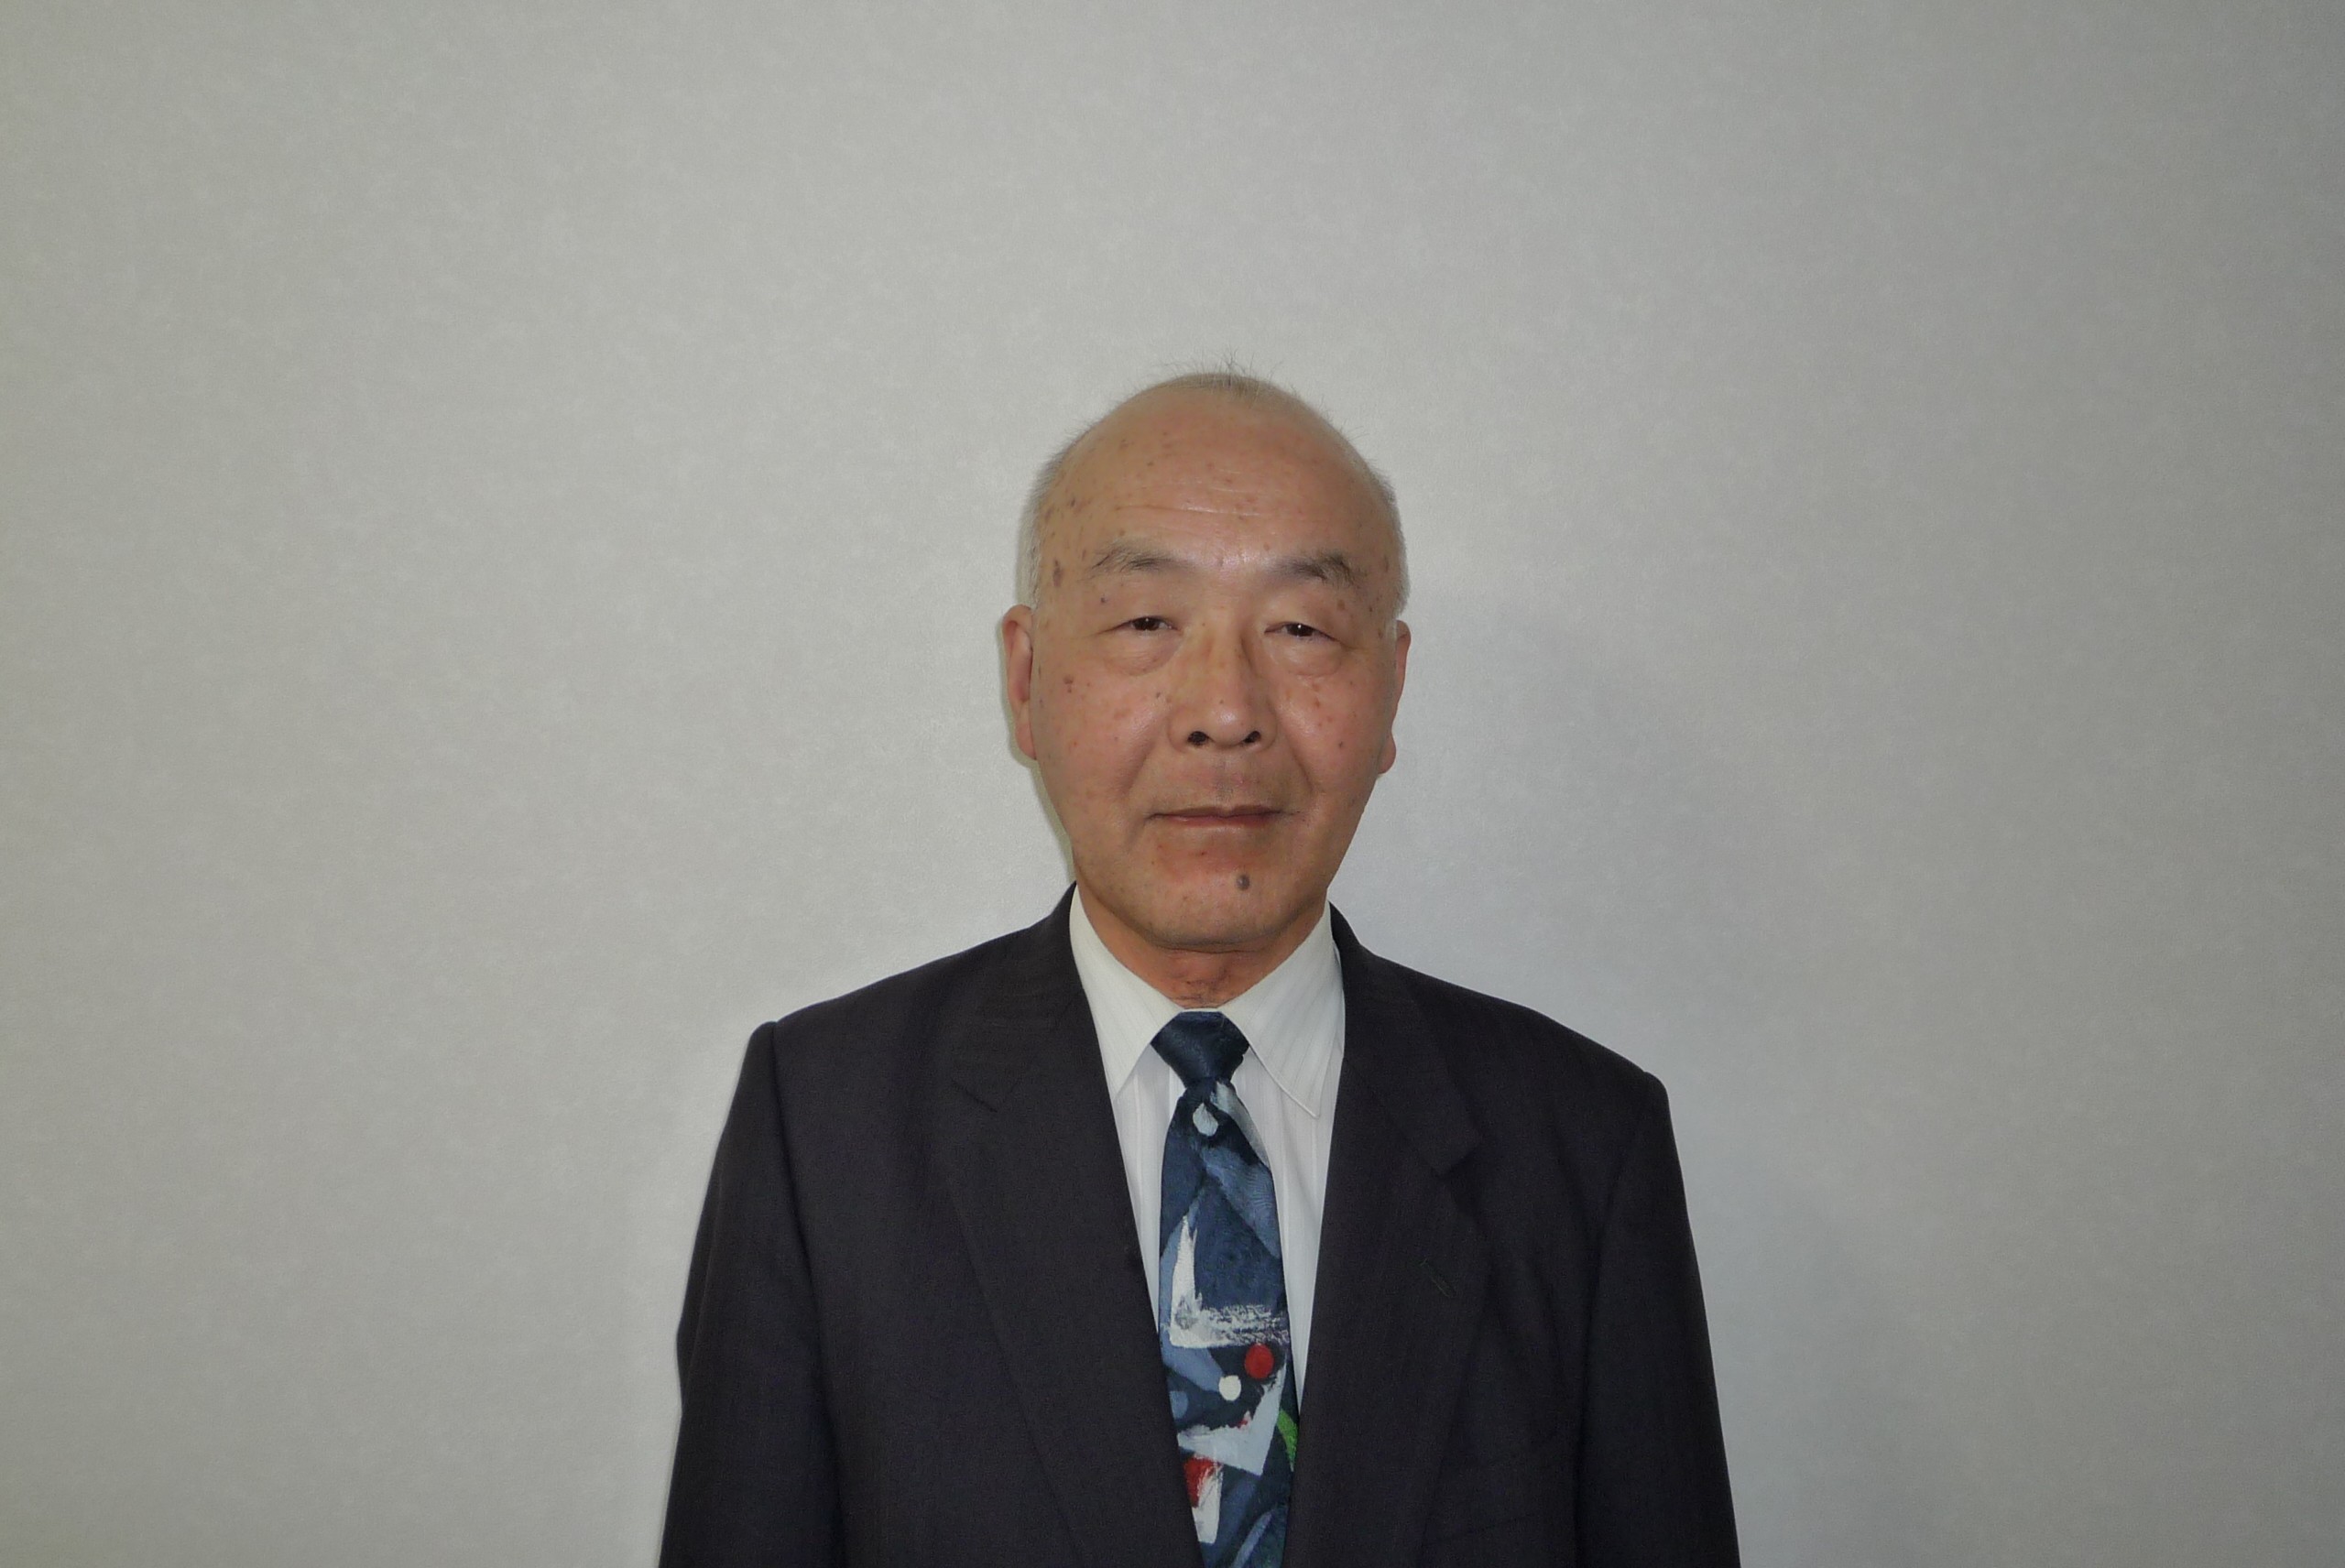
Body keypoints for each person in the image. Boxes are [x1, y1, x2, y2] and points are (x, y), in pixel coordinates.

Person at [657, 372, 1740, 1567]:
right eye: (1144, 624)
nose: (1225, 711)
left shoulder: (1583, 1147)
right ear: (1025, 681)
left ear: (1391, 688)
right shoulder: (824, 1129)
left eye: (1301, 630)